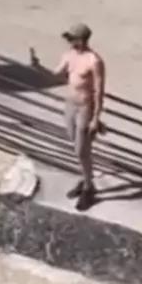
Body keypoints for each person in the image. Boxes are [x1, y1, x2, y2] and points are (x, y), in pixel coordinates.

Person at [41, 23, 106, 209]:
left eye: (72, 39)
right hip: (70, 106)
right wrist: (38, 68)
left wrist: (95, 118)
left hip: (85, 107)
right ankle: (85, 179)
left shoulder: (94, 61)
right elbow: (56, 74)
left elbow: (99, 91)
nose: (69, 42)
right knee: (77, 145)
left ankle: (89, 186)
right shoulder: (69, 55)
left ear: (82, 40)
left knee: (81, 150)